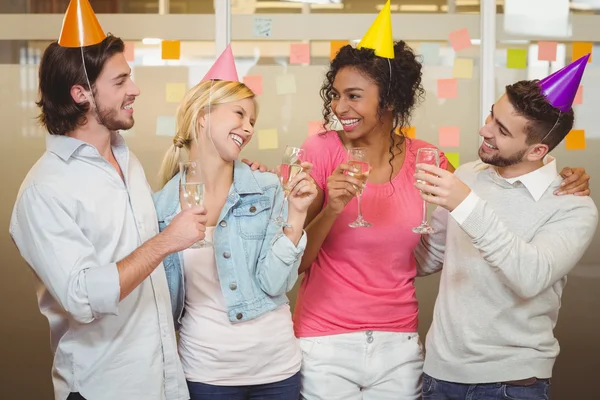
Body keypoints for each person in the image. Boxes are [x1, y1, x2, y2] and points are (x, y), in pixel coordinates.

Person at [243, 3, 591, 399]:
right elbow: (293, 264)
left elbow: (434, 249)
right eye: (336, 95)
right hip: (326, 341)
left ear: (389, 100)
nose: (339, 107)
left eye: (354, 95)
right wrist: (329, 208)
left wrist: (563, 176)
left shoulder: (435, 164)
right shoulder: (322, 152)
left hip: (401, 346)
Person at [9, 1, 201, 399]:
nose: (134, 89)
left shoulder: (124, 158)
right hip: (105, 387)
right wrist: (166, 243)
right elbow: (83, 297)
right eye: (120, 81)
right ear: (81, 94)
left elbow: (146, 240)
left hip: (163, 378)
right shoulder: (44, 190)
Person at [414, 55, 598, 399]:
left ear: (537, 150)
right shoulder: (468, 175)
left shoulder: (572, 205)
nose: (485, 130)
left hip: (512, 384)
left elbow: (530, 276)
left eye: (502, 130)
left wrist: (466, 205)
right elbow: (428, 258)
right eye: (491, 116)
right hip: (439, 374)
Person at [153, 45, 317, 400]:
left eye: (252, 121)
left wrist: (298, 215)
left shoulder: (267, 188)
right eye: (240, 114)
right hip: (205, 372)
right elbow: (160, 304)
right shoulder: (161, 207)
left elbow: (276, 284)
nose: (248, 128)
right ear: (203, 117)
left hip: (276, 368)